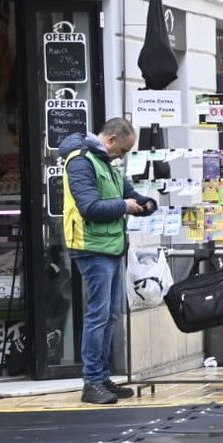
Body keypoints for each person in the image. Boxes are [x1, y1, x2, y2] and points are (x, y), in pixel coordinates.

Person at [60, 118, 157, 404]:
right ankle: (92, 382)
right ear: (112, 139)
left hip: (112, 247)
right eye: (123, 150)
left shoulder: (106, 164)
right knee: (98, 315)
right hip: (90, 247)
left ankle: (102, 378)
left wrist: (145, 204)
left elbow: (128, 195)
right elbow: (90, 207)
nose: (123, 156)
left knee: (110, 315)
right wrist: (125, 206)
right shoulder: (80, 162)